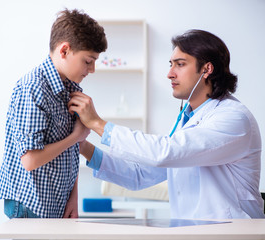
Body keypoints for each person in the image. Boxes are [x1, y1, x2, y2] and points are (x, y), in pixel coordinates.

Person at [69, 29, 265, 219]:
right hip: (195, 231)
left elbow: (165, 152)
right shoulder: (188, 120)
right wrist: (84, 146)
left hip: (234, 232)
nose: (170, 74)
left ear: (207, 69)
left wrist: (96, 123)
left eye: (179, 64)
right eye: (171, 64)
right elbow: (138, 176)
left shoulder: (234, 119)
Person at [0, 9, 107, 218]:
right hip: (31, 204)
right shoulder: (33, 88)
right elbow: (30, 160)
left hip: (58, 201)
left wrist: (72, 197)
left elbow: (71, 152)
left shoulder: (71, 88)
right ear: (64, 51)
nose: (92, 70)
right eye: (88, 61)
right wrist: (76, 136)